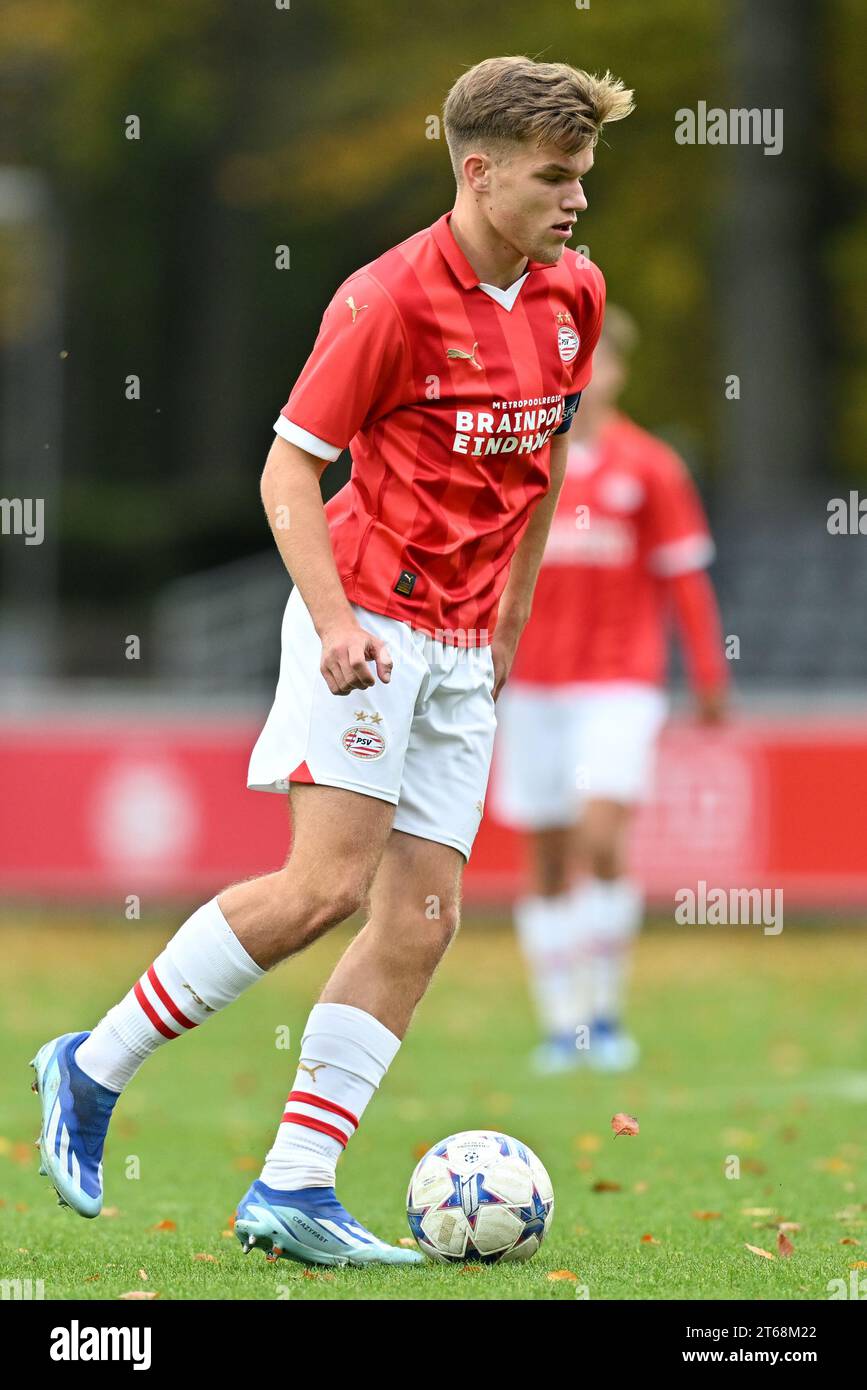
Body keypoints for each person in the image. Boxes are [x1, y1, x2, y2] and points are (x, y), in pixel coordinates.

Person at [30, 56, 633, 1267]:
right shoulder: (388, 300)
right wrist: (339, 620)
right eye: (555, 178)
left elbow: (549, 456)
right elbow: (287, 470)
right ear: (478, 171)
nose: (576, 201)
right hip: (366, 617)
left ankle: (296, 1185)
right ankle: (90, 1065)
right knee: (325, 886)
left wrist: (513, 612)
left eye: (583, 178)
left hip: (467, 641)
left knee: (422, 916)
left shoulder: (575, 292)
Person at [491, 305, 729, 1075]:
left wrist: (707, 672)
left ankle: (604, 1013)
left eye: (600, 363)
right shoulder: (522, 464)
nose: (587, 379)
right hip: (530, 684)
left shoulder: (651, 467)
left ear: (619, 371)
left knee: (600, 836)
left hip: (618, 683)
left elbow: (684, 578)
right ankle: (561, 1026)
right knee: (546, 854)